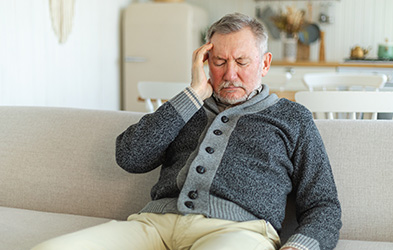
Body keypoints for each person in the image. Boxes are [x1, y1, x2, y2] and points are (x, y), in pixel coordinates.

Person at [33, 13, 341, 250]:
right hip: (155, 225)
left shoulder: (292, 118)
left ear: (265, 64)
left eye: (242, 61)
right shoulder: (186, 108)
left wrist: (300, 246)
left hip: (238, 231)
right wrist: (193, 93)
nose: (230, 74)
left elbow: (323, 204)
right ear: (205, 60)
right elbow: (129, 156)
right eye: (219, 61)